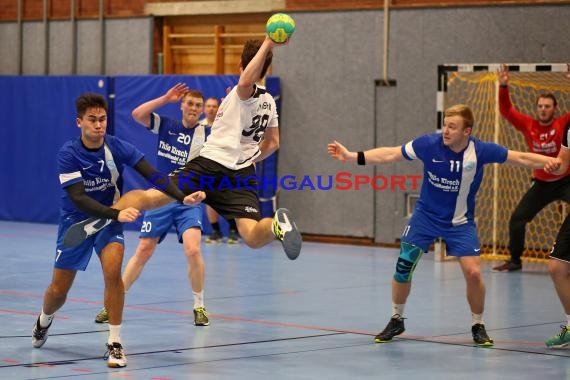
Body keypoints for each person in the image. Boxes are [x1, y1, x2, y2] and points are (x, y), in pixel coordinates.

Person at [327, 104, 561, 346]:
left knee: (473, 273)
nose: (446, 131)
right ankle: (397, 318)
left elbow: (519, 157)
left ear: (466, 131)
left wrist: (549, 161)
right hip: (425, 217)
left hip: (460, 222)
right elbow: (391, 154)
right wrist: (352, 156)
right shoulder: (429, 144)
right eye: (445, 125)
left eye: (453, 126)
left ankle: (478, 324)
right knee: (403, 266)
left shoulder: (480, 151)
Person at [63, 36, 302, 261]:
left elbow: (246, 82)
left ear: (240, 64)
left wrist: (268, 43)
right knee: (251, 235)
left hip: (210, 164)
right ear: (267, 69)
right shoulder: (269, 101)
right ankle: (275, 226)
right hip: (242, 173)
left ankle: (98, 219)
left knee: (150, 198)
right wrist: (250, 157)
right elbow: (273, 143)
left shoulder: (241, 91)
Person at [31, 93, 196, 368]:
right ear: (79, 122)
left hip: (108, 221)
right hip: (77, 221)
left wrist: (181, 197)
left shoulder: (116, 146)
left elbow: (151, 173)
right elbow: (79, 198)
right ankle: (44, 319)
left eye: (103, 119)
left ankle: (115, 342)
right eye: (92, 120)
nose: (99, 125)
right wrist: (116, 213)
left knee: (113, 273)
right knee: (59, 291)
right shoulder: (68, 154)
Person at [94, 85, 211, 327]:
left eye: (198, 106)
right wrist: (166, 97)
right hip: (161, 197)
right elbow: (137, 114)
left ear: (201, 110)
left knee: (193, 249)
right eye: (189, 103)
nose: (193, 108)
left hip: (189, 200)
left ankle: (199, 306)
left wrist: (206, 188)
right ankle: (113, 302)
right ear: (182, 105)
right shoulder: (167, 125)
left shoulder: (206, 134)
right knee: (144, 250)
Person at [492, 64, 570, 272]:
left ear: (555, 109)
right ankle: (515, 261)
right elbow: (506, 111)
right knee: (517, 219)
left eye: (547, 106)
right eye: (540, 106)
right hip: (542, 184)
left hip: (566, 181)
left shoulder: (563, 123)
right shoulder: (528, 125)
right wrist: (503, 86)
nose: (543, 109)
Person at [199, 97, 240, 245]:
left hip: (226, 167)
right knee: (210, 201)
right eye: (208, 106)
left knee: (228, 200)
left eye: (214, 106)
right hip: (207, 170)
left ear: (219, 108)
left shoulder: (226, 125)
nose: (211, 109)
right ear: (204, 109)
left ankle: (233, 230)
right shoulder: (198, 127)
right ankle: (215, 231)